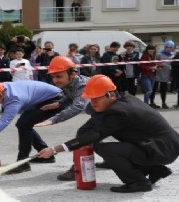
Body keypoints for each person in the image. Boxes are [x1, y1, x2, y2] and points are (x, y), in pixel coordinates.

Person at [37, 75, 179, 193]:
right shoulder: (124, 98)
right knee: (106, 146)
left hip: (162, 150)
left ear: (110, 95)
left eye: (97, 98)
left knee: (106, 149)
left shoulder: (118, 112)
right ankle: (157, 170)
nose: (93, 103)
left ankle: (138, 182)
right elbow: (89, 129)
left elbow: (93, 135)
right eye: (91, 99)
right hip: (165, 146)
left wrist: (54, 150)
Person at [0, 78, 63, 174]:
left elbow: (2, 123)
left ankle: (22, 163)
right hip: (41, 99)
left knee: (24, 124)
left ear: (2, 93)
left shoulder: (14, 99)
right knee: (23, 124)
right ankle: (46, 155)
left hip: (55, 99)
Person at [34, 56, 91, 180]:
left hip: (115, 115)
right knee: (95, 138)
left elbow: (78, 106)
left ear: (73, 73)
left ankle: (77, 169)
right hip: (103, 115)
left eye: (59, 76)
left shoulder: (83, 85)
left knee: (84, 134)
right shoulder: (69, 83)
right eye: (53, 77)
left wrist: (52, 120)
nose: (55, 80)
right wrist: (58, 104)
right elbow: (71, 96)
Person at [152, 40, 175, 109]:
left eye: (171, 47)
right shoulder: (159, 54)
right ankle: (152, 102)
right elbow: (154, 63)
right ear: (165, 47)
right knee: (154, 89)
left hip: (166, 74)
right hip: (157, 73)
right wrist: (159, 64)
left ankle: (163, 103)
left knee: (164, 90)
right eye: (167, 47)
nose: (169, 49)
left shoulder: (173, 54)